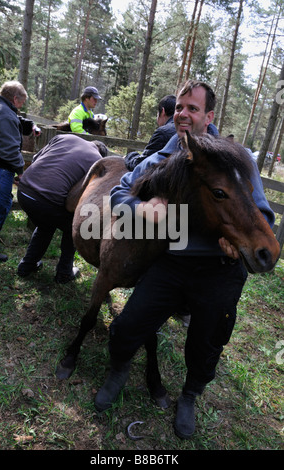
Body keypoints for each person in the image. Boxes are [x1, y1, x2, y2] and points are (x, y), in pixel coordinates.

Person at [94, 80, 275, 439]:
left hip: (219, 271)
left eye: (192, 108)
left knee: (207, 341)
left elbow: (263, 217)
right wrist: (142, 208)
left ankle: (190, 395)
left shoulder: (235, 159)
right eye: (179, 107)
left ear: (209, 116)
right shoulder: (166, 153)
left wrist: (237, 244)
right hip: (173, 263)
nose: (182, 114)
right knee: (129, 325)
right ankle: (118, 370)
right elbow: (118, 193)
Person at [17, 134, 107, 283]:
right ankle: (64, 272)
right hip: (47, 201)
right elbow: (85, 191)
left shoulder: (65, 138)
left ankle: (27, 265)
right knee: (73, 226)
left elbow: (35, 159)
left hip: (24, 191)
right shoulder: (97, 161)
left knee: (46, 225)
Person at [0, 80, 40, 262]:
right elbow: (9, 150)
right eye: (22, 102)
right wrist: (20, 171)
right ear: (15, 99)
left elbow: (15, 120)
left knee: (0, 205)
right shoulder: (5, 115)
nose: (21, 105)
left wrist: (31, 125)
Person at [124, 94, 219, 171]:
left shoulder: (163, 132)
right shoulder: (211, 133)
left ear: (162, 112)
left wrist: (129, 156)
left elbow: (141, 166)